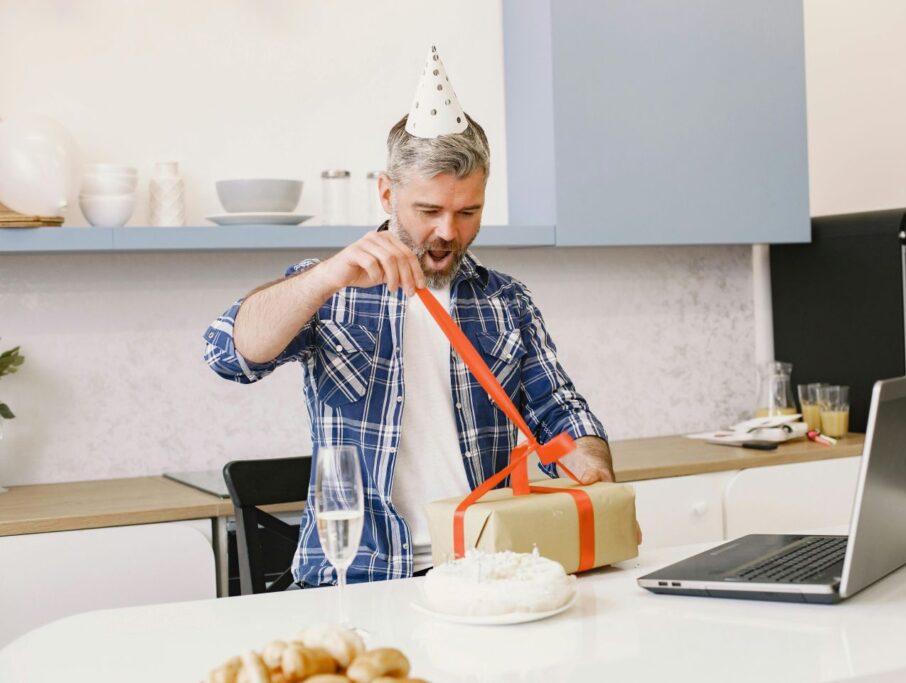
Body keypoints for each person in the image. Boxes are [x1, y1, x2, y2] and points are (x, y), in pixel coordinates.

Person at [203, 47, 612, 586]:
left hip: (479, 572)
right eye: (428, 211)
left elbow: (561, 410)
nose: (448, 231)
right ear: (387, 193)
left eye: (468, 212)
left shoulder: (506, 301)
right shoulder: (329, 291)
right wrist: (325, 277)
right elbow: (228, 356)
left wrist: (590, 461)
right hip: (357, 575)